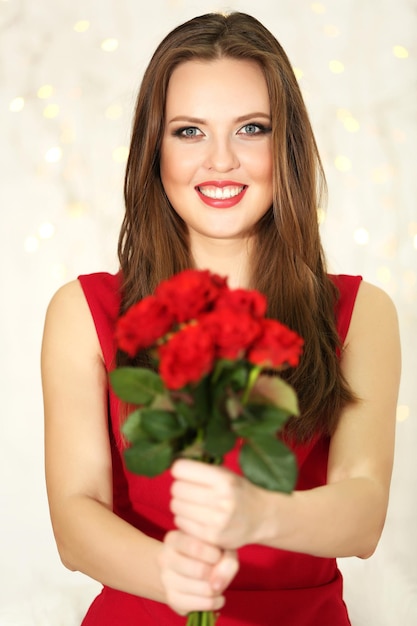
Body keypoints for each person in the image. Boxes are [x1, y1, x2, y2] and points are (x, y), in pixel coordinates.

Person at [41, 11, 401, 626]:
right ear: (153, 149)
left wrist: (260, 514)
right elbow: (76, 519)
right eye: (189, 132)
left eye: (251, 129)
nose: (221, 161)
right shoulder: (84, 311)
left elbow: (364, 516)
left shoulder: (361, 312)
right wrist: (172, 577)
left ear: (284, 145)